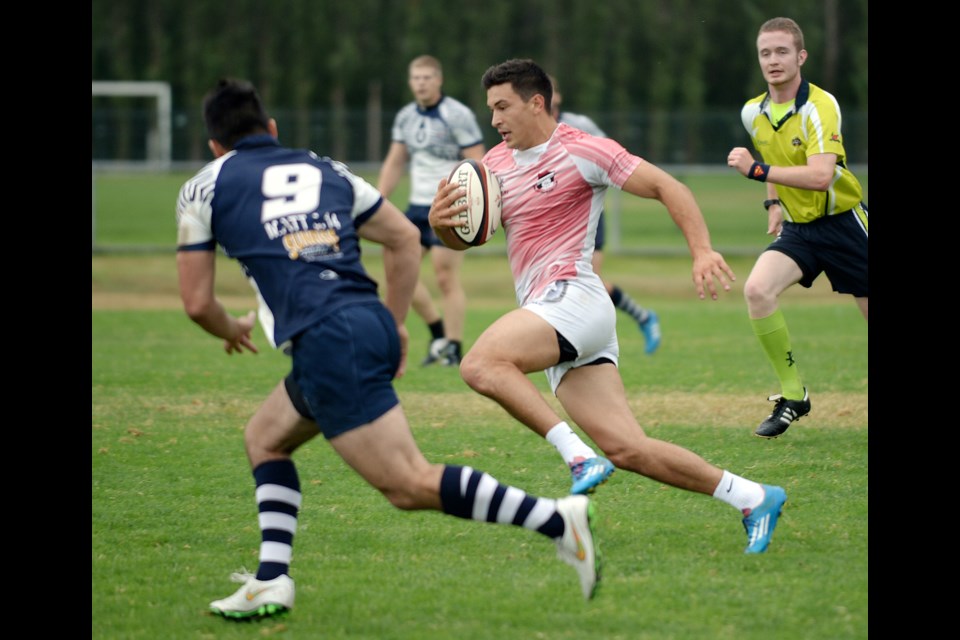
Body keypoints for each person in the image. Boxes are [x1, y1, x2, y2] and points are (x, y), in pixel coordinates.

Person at [176, 78, 603, 620]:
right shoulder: (324, 168)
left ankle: (556, 520)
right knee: (264, 439)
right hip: (357, 324)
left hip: (329, 337)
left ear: (214, 145)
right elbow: (404, 237)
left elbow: (196, 303)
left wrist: (230, 327)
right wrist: (397, 323)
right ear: (273, 129)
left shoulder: (202, 187)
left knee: (407, 484)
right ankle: (270, 579)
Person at [429, 58, 787, 555]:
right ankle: (753, 496)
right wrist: (441, 223)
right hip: (557, 314)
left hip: (574, 296)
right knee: (627, 448)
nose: (495, 120)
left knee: (481, 363)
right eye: (491, 109)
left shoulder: (583, 150)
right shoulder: (493, 166)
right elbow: (463, 239)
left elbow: (669, 187)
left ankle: (575, 456)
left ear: (537, 102)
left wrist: (702, 250)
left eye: (503, 107)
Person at [726, 17, 868, 438]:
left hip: (844, 226)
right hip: (800, 230)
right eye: (766, 53)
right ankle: (794, 396)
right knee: (757, 290)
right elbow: (775, 161)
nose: (774, 60)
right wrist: (772, 201)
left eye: (782, 51)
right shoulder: (755, 111)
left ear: (801, 56)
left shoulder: (820, 106)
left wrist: (756, 171)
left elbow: (821, 176)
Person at [378, 55, 486, 366]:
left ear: (438, 80)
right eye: (416, 78)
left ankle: (452, 346)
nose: (421, 83)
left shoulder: (458, 115)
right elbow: (395, 160)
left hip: (449, 203)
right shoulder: (405, 117)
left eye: (427, 77)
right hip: (416, 207)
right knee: (398, 273)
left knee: (444, 276)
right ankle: (437, 332)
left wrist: (469, 205)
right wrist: (381, 198)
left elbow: (477, 161)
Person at [548, 74, 661, 355]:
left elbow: (607, 158)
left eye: (551, 91)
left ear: (558, 97)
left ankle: (623, 329)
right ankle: (636, 320)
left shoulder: (580, 125)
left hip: (588, 216)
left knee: (590, 281)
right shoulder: (529, 134)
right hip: (555, 222)